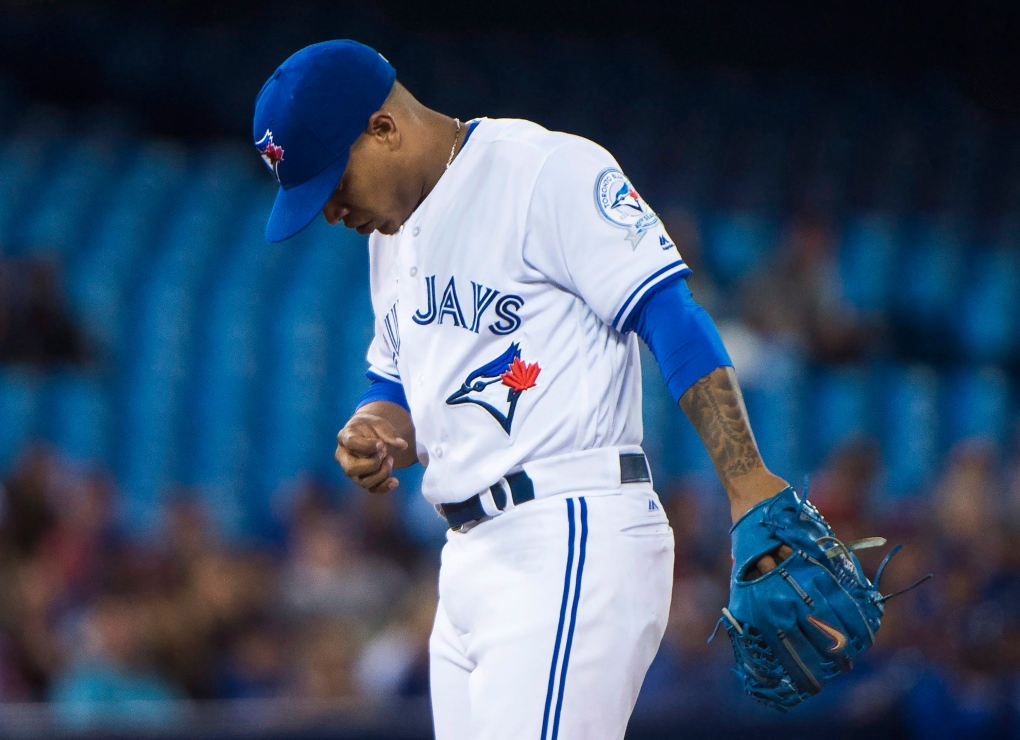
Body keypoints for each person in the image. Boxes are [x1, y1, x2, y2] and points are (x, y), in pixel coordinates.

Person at [254, 40, 792, 740]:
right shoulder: (389, 234)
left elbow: (672, 316)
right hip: (468, 559)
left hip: (567, 530)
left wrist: (746, 482)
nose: (329, 211)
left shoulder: (545, 171)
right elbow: (394, 386)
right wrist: (374, 430)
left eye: (332, 184)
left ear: (383, 129)